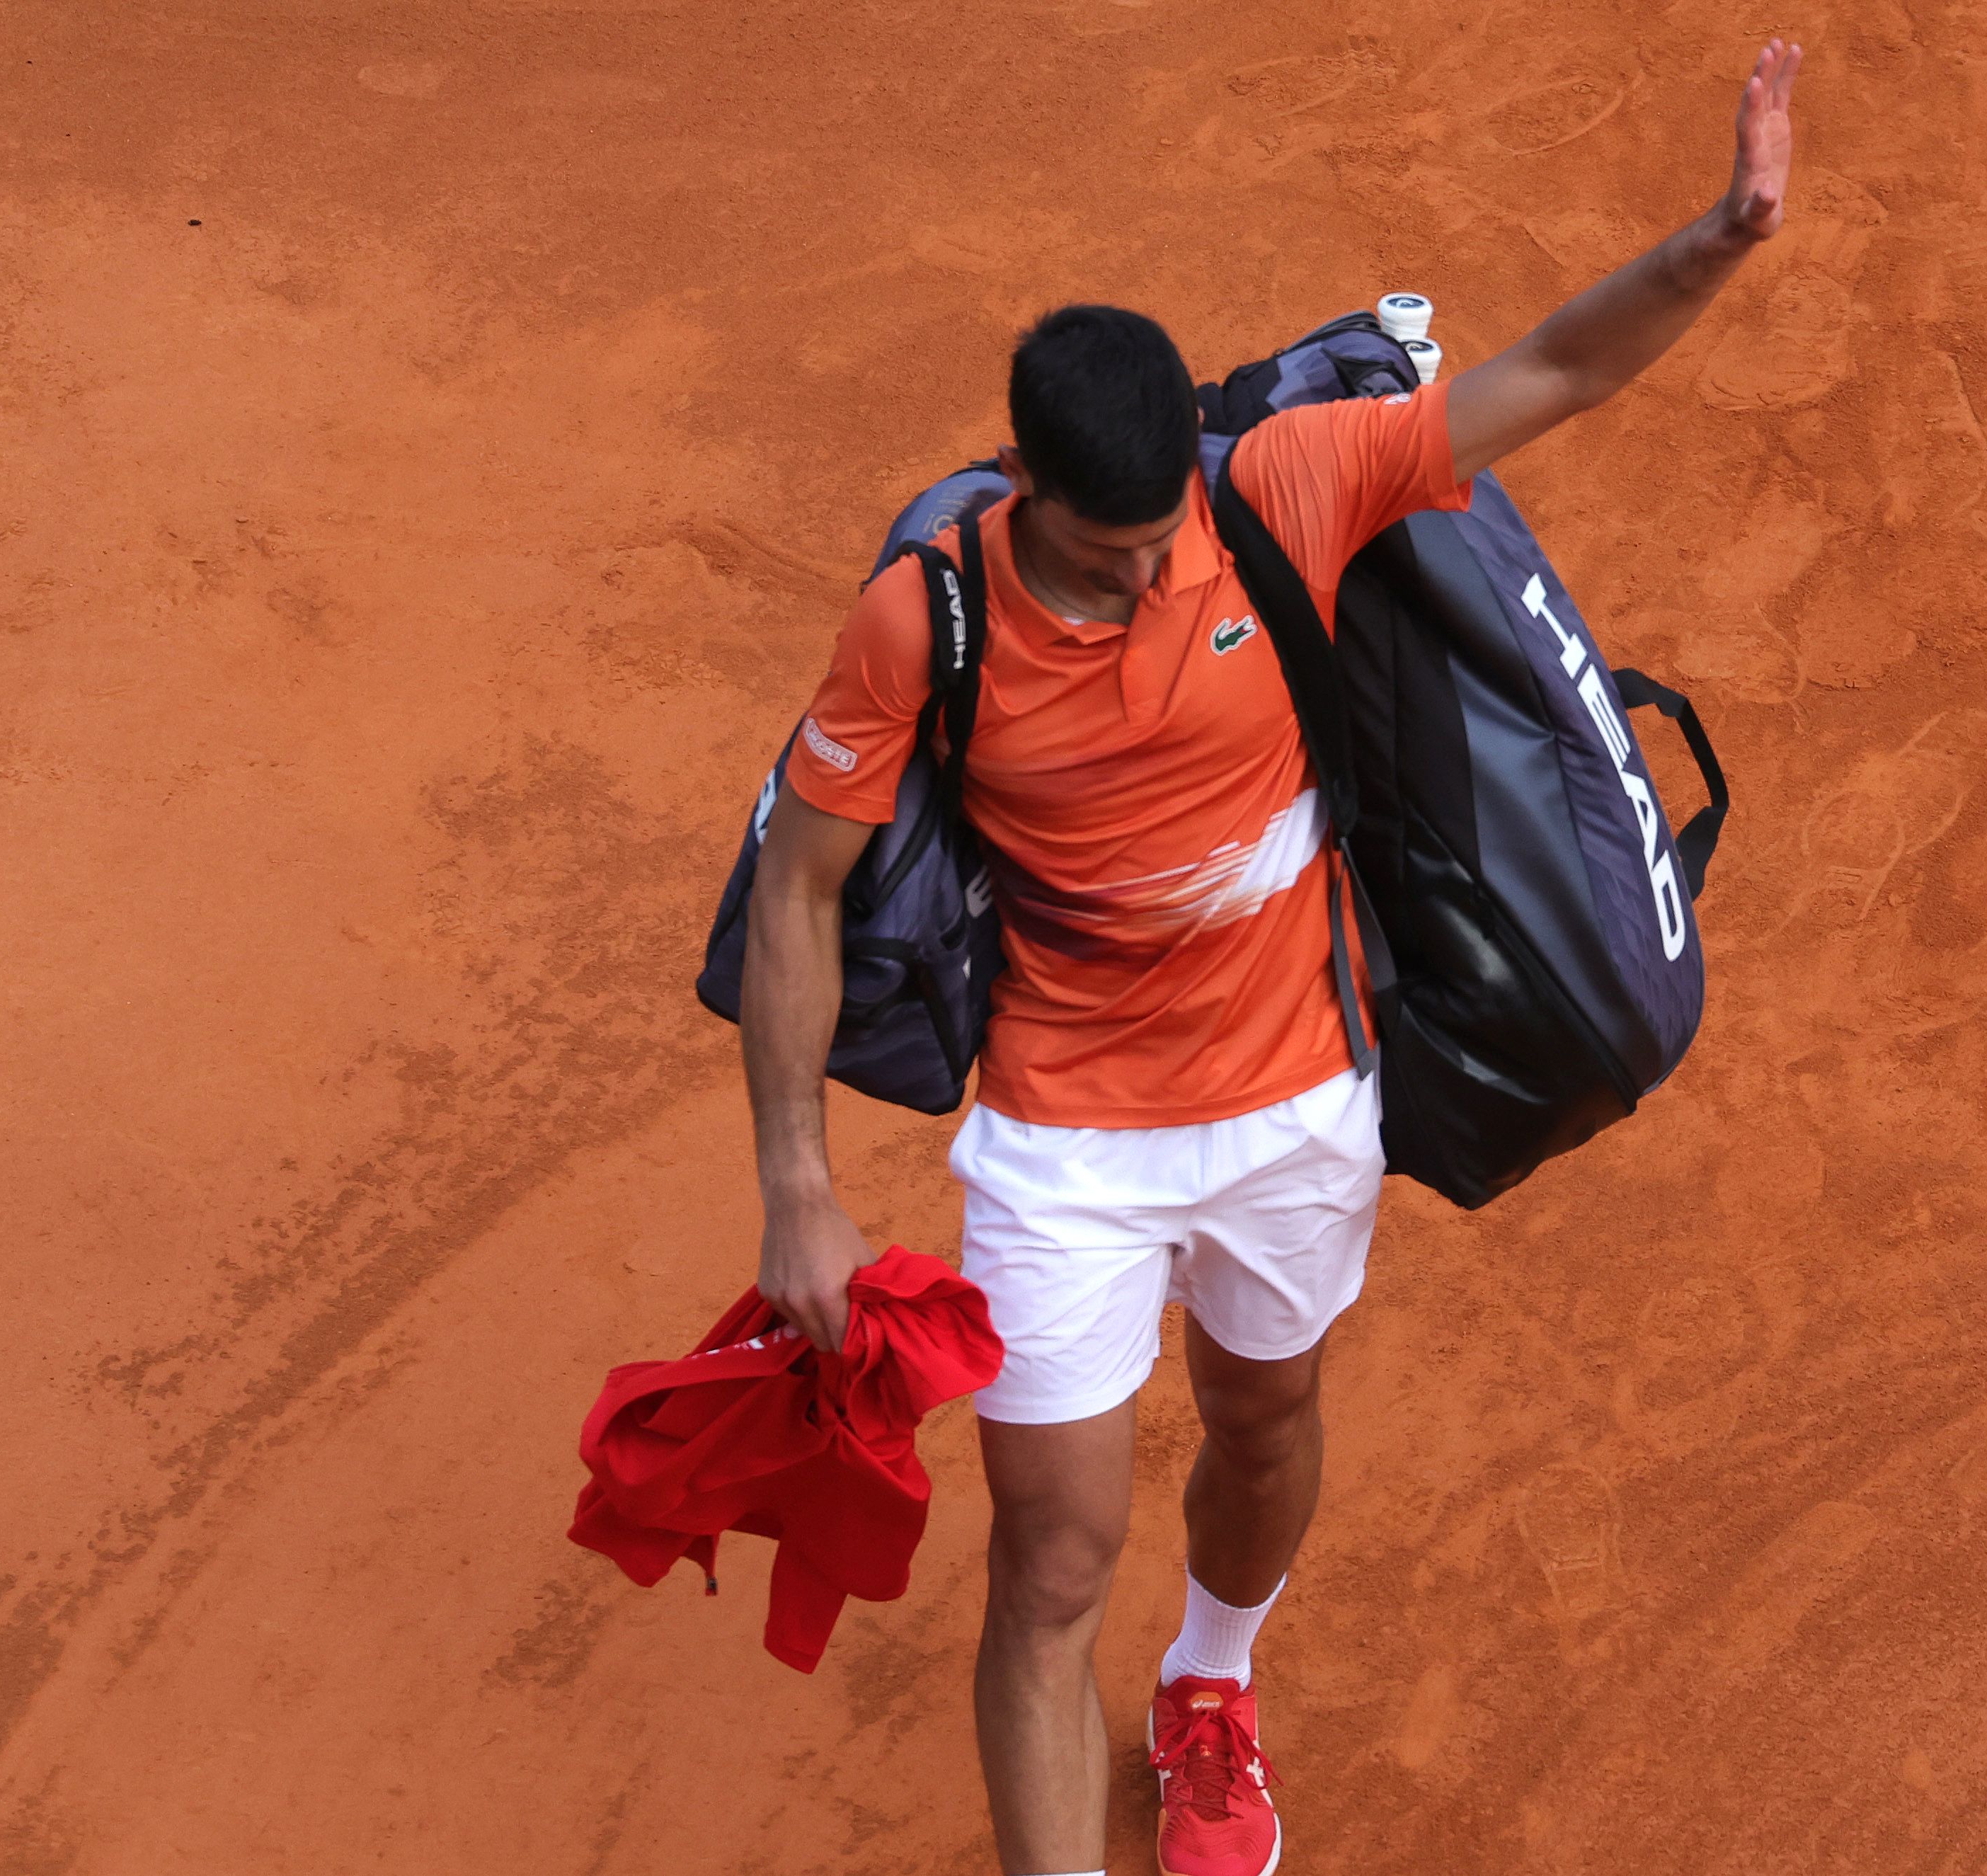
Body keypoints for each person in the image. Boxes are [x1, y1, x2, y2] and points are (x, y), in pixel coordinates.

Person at [743, 40, 1802, 1876]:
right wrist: (796, 1188)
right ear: (1021, 486)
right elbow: (794, 896)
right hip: (1064, 1136)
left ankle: (1214, 1682)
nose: (1154, 583)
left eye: (1169, 543)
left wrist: (1719, 236)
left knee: (1266, 1413)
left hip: (1298, 1090)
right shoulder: (919, 627)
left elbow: (1551, 369)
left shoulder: (1276, 494)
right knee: (1052, 1555)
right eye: (1105, 554)